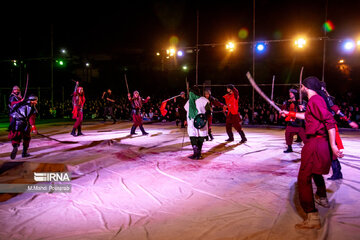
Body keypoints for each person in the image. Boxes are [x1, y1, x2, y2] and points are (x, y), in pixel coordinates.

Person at [281, 76, 343, 230]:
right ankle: (322, 197)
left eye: (301, 86)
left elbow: (329, 121)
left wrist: (333, 145)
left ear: (306, 86)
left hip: (315, 143)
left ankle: (312, 215)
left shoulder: (315, 100)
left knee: (303, 178)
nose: (300, 88)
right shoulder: (315, 101)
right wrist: (290, 114)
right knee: (315, 172)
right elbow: (308, 116)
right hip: (317, 142)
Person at [320, 82, 359, 180]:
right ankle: (337, 172)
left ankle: (337, 172)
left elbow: (337, 111)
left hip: (330, 127)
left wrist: (349, 121)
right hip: (324, 127)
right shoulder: (320, 99)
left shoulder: (327, 99)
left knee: (331, 150)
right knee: (327, 150)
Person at [184, 86, 211, 160]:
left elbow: (186, 110)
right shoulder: (204, 100)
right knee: (200, 136)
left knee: (193, 135)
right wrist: (204, 117)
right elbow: (209, 111)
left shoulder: (189, 101)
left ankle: (196, 152)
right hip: (201, 121)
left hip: (192, 122)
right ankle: (198, 153)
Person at [8, 94, 38, 159]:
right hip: (23, 123)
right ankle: (24, 152)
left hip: (15, 122)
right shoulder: (32, 107)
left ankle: (15, 146)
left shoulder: (20, 104)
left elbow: (12, 106)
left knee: (16, 136)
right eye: (35, 101)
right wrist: (33, 127)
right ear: (31, 101)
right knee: (26, 137)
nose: (36, 102)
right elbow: (31, 118)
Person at [282, 88, 307, 153]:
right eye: (290, 92)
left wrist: (303, 108)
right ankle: (289, 147)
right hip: (291, 122)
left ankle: (309, 149)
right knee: (288, 134)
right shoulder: (288, 102)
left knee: (305, 139)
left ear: (295, 94)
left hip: (300, 123)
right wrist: (284, 114)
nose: (290, 94)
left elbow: (306, 112)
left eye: (291, 93)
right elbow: (287, 111)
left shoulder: (301, 102)